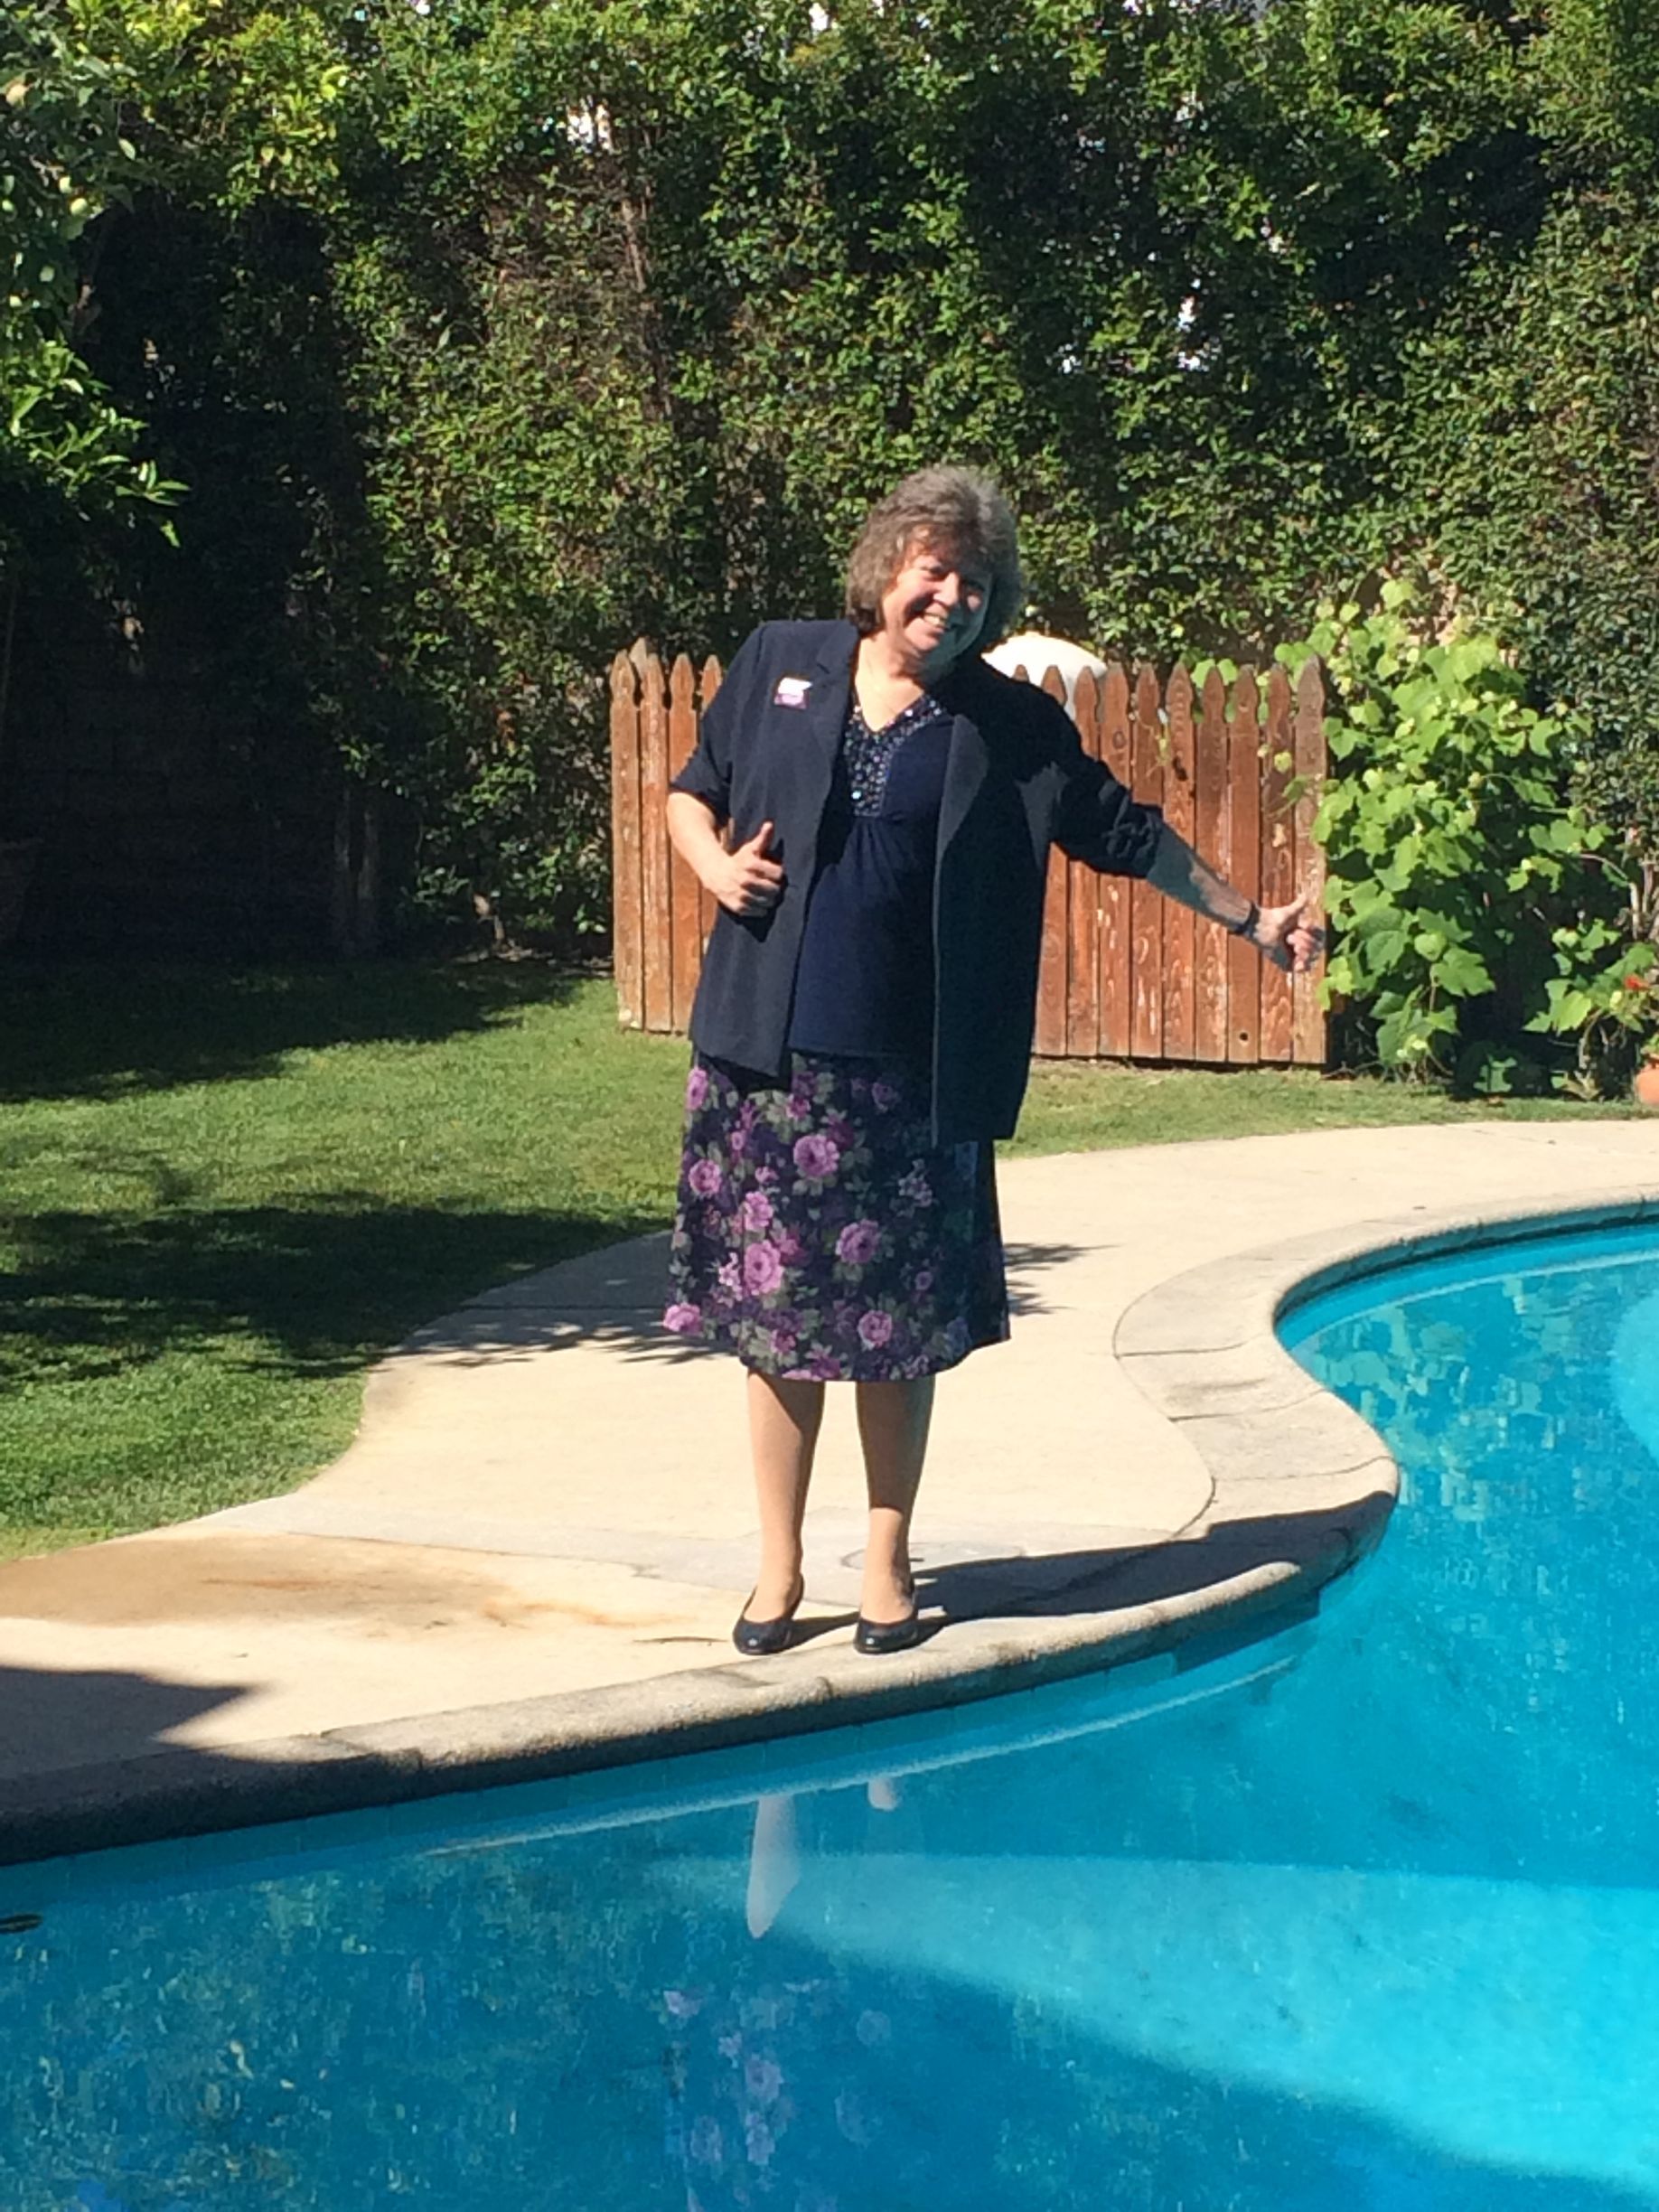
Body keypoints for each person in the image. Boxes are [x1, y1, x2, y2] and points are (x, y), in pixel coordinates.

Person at [662, 466, 1321, 1657]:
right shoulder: (779, 660)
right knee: (776, 1333)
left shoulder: (1008, 727)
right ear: (887, 567)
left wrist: (1253, 920)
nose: (952, 598)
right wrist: (712, 867)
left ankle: (886, 1561)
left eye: (976, 585)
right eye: (934, 571)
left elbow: (1127, 833)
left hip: (913, 1076)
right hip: (767, 1064)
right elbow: (688, 794)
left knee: (894, 1334)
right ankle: (776, 1572)